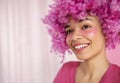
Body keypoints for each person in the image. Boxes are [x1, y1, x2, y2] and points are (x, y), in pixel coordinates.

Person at [43, 0, 120, 83]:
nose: (74, 37)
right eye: (69, 31)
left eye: (85, 26)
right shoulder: (66, 70)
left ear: (107, 30)